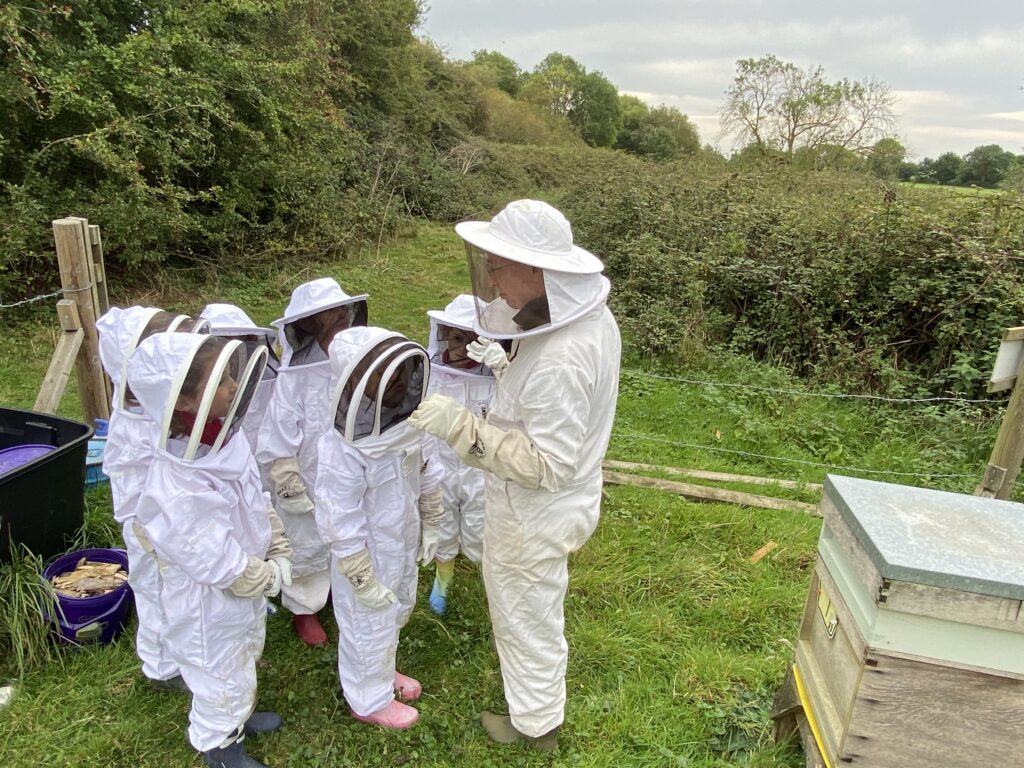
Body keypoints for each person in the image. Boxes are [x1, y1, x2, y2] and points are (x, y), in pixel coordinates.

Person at [408, 199, 621, 751]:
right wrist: (508, 368)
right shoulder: (581, 319)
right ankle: (538, 712)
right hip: (552, 506)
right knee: (535, 609)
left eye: (501, 266)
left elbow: (546, 463)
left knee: (525, 616)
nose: (493, 279)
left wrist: (460, 428)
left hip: (534, 512)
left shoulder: (561, 355)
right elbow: (548, 410)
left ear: (537, 269)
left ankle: (536, 727)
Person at [129, 333, 293, 768]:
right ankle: (218, 746)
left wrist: (274, 537)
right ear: (184, 402)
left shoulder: (220, 436)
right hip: (207, 601)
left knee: (244, 653)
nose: (235, 387)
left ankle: (238, 714)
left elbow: (252, 492)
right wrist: (269, 576)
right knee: (217, 670)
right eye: (221, 382)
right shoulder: (176, 485)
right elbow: (217, 562)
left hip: (242, 588)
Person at [314, 326, 443, 729]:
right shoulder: (343, 448)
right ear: (352, 380)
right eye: (385, 375)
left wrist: (434, 519)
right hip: (365, 553)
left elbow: (426, 468)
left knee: (395, 609)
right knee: (365, 623)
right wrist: (360, 575)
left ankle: (383, 675)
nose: (401, 382)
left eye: (404, 372)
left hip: (400, 538)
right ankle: (367, 699)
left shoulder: (407, 424)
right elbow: (338, 515)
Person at [96, 307, 208, 693]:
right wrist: (152, 531)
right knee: (156, 590)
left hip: (176, 524)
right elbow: (131, 493)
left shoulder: (156, 411)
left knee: (185, 596)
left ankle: (189, 658)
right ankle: (161, 666)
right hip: (151, 530)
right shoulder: (132, 426)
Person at [255, 278, 368, 646]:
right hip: (309, 474)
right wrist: (287, 482)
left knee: (349, 532)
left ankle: (340, 590)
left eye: (339, 313)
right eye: (325, 317)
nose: (336, 320)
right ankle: (305, 609)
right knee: (306, 541)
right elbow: (277, 432)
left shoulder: (358, 362)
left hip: (351, 472)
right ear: (305, 325)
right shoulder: (294, 377)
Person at [422, 295, 497, 615]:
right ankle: (443, 578)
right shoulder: (433, 373)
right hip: (441, 464)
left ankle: (493, 582)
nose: (458, 346)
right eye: (454, 337)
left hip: (479, 468)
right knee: (443, 523)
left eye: (468, 340)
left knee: (482, 525)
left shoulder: (492, 380)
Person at [200, 303, 280, 488]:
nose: (234, 352)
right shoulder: (195, 395)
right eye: (225, 342)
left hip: (269, 470)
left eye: (243, 342)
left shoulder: (270, 379)